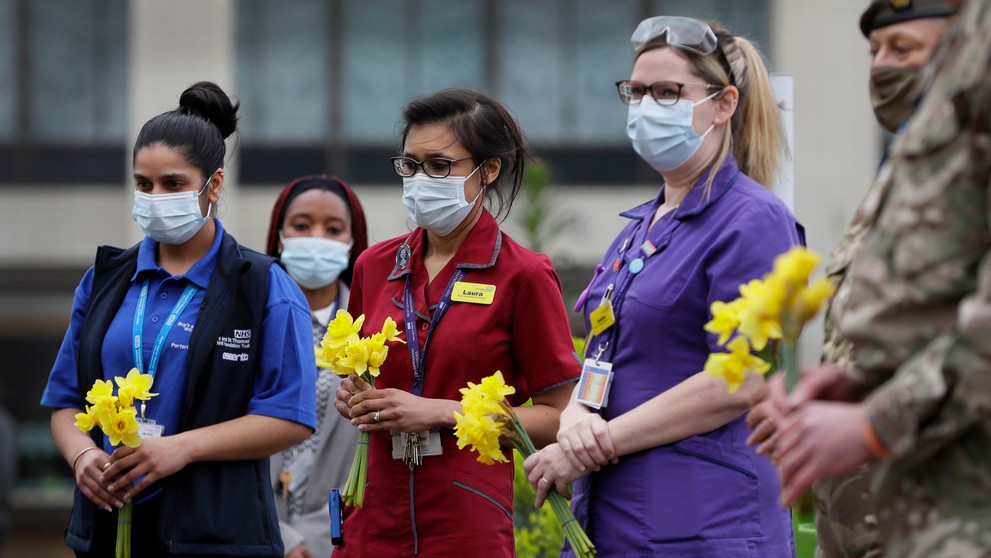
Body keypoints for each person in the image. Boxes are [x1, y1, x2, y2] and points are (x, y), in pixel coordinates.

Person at [523, 15, 803, 557]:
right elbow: (605, 355)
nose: (647, 106)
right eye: (637, 92)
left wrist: (591, 445)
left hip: (705, 521)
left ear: (723, 105)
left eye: (668, 92)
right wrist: (578, 413)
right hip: (616, 515)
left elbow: (740, 378)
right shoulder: (638, 229)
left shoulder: (753, 220)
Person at [40, 81, 317, 558]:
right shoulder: (104, 280)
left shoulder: (264, 285)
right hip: (107, 528)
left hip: (217, 536)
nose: (154, 196)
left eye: (173, 184)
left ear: (213, 185)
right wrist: (82, 453)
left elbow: (289, 415)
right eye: (143, 184)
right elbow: (66, 401)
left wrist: (181, 448)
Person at [768, 1, 991, 556]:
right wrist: (860, 383)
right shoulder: (907, 167)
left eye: (904, 50)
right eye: (875, 53)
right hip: (884, 517)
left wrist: (875, 422)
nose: (884, 68)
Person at [331, 88, 580, 557]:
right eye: (410, 165)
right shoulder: (374, 265)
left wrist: (443, 412)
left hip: (465, 516)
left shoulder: (523, 274)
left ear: (488, 170)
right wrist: (355, 397)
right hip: (372, 510)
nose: (421, 179)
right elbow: (359, 375)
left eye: (440, 166)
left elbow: (561, 415)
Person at [265, 175, 368, 558]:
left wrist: (318, 538)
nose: (318, 238)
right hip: (254, 531)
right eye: (302, 226)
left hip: (339, 540)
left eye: (334, 228)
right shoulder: (244, 322)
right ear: (279, 236)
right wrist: (282, 538)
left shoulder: (370, 330)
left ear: (353, 242)